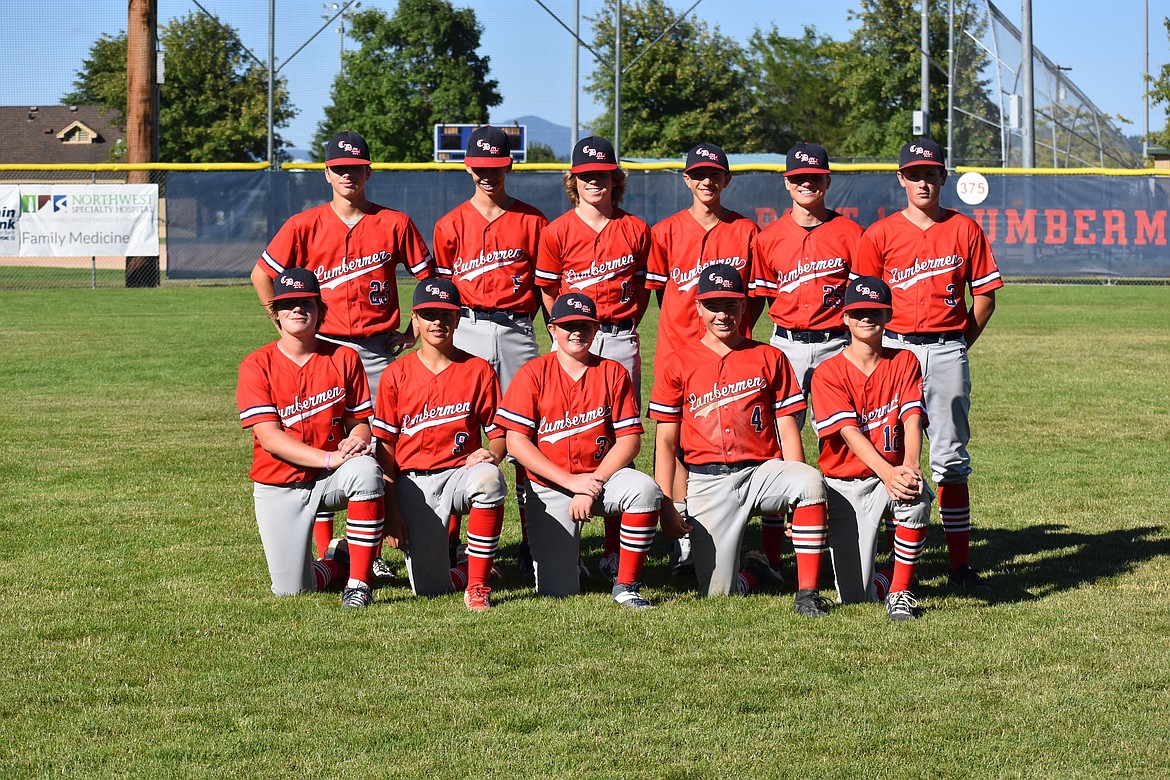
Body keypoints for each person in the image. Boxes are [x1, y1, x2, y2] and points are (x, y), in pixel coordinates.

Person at [250, 129, 434, 577]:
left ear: (368, 171)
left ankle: (374, 550)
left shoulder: (394, 222)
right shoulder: (304, 224)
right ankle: (330, 550)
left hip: (374, 348)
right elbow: (262, 274)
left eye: (356, 168)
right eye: (339, 168)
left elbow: (430, 279)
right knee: (317, 435)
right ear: (327, 174)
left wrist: (412, 329)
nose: (348, 174)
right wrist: (279, 319)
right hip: (322, 349)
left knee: (383, 442)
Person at [854, 138, 1003, 591]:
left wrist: (956, 345)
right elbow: (862, 306)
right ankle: (897, 568)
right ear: (901, 178)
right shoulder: (879, 234)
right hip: (893, 348)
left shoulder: (965, 228)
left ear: (944, 176)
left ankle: (959, 565)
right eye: (914, 173)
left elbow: (985, 298)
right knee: (889, 454)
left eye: (931, 172)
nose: (923, 180)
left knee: (952, 459)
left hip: (944, 350)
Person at [647, 264, 831, 616]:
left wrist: (797, 492)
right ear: (698, 308)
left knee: (809, 482)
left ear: (744, 307)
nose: (722, 314)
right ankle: (755, 572)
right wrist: (667, 504)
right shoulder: (678, 362)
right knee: (719, 593)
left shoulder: (769, 356)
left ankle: (807, 594)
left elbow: (788, 428)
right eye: (714, 305)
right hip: (707, 480)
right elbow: (667, 443)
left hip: (762, 472)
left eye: (731, 305)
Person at [495, 292, 663, 608]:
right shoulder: (533, 373)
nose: (577, 332)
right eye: (568, 325)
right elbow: (516, 442)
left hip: (603, 480)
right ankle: (558, 559)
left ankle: (626, 585)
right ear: (553, 329)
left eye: (585, 325)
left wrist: (593, 483)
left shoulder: (613, 372)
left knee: (644, 489)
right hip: (550, 487)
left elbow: (629, 441)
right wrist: (572, 484)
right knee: (558, 591)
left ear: (596, 329)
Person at [535, 135, 653, 581]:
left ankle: (610, 545)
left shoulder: (636, 229)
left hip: (619, 336)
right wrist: (564, 332)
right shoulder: (558, 230)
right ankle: (567, 541)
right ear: (574, 181)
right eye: (585, 176)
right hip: (570, 338)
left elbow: (642, 290)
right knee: (567, 430)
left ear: (614, 179)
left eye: (602, 174)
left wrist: (621, 326)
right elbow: (548, 288)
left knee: (616, 433)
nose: (594, 181)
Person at [432, 125, 548, 576]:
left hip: (518, 329)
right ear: (467, 166)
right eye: (480, 168)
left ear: (509, 165)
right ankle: (452, 540)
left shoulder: (533, 220)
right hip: (467, 328)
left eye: (496, 167)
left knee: (527, 434)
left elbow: (544, 286)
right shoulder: (450, 224)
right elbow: (438, 292)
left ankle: (534, 538)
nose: (488, 175)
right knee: (457, 427)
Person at [747, 142, 864, 580]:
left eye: (814, 177)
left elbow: (863, 302)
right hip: (786, 344)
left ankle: (843, 544)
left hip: (837, 343)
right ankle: (771, 554)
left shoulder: (852, 233)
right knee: (778, 443)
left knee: (841, 438)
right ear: (787, 183)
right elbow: (757, 301)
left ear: (827, 181)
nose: (806, 184)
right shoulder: (769, 237)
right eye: (798, 178)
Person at [236, 266, 384, 608]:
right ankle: (339, 560)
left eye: (307, 302)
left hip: (330, 479)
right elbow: (270, 439)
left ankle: (359, 583)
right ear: (275, 313)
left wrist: (358, 439)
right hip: (280, 485)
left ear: (320, 310)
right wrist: (330, 457)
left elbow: (360, 422)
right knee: (293, 590)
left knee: (365, 470)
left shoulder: (344, 357)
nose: (298, 309)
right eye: (288, 304)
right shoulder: (256, 364)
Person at [647, 142, 760, 580]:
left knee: (735, 441)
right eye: (699, 174)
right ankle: (684, 542)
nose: (707, 181)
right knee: (675, 444)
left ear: (726, 179)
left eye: (716, 173)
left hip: (734, 356)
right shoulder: (666, 231)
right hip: (679, 351)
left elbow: (756, 299)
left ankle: (734, 537)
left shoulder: (746, 231)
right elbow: (659, 294)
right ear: (687, 180)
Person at [372, 278, 507, 611]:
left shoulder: (477, 369)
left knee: (489, 479)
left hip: (460, 475)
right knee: (432, 588)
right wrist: (391, 512)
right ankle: (470, 566)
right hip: (412, 484)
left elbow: (500, 433)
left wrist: (493, 453)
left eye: (446, 314)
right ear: (414, 321)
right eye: (428, 314)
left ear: (458, 318)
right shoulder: (396, 374)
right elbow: (385, 450)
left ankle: (478, 585)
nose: (437, 322)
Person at [811, 276, 932, 620]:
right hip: (844, 484)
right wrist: (890, 472)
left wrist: (909, 466)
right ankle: (889, 576)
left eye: (875, 311)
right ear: (845, 317)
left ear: (888, 315)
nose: (867, 318)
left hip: (887, 478)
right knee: (856, 596)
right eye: (859, 311)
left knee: (916, 496)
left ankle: (901, 591)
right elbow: (849, 432)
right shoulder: (828, 372)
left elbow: (912, 416)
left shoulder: (904, 360)